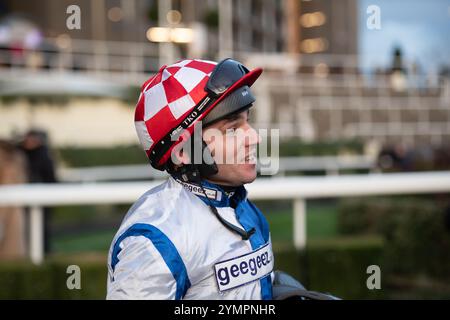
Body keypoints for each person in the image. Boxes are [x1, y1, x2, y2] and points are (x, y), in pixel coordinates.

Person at [106, 58, 274, 300]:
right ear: (184, 151)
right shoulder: (154, 240)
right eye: (232, 129)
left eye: (247, 121)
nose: (254, 138)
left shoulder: (240, 204)